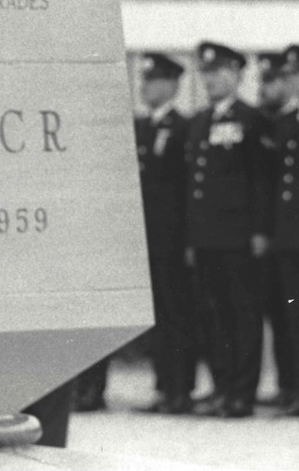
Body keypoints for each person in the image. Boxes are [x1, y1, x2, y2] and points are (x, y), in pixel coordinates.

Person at [185, 41, 274, 418]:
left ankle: (241, 393)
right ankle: (222, 387)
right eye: (206, 73)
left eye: (219, 72)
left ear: (237, 75)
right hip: (206, 238)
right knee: (213, 316)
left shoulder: (253, 120)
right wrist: (191, 238)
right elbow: (195, 186)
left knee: (242, 314)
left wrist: (258, 231)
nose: (211, 80)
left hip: (239, 238)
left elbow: (262, 180)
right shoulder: (200, 121)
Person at [133, 53, 197, 414]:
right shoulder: (141, 128)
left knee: (178, 314)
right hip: (148, 241)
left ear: (172, 85)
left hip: (172, 239)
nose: (145, 87)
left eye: (154, 80)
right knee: (157, 316)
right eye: (143, 80)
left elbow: (187, 189)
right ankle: (163, 387)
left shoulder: (183, 127)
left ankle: (180, 388)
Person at [256, 50, 296, 409]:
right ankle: (289, 385)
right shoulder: (276, 123)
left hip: (296, 236)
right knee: (284, 315)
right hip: (281, 235)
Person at [269, 44, 299, 416]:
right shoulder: (288, 120)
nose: (294, 81)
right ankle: (298, 388)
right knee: (295, 317)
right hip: (291, 235)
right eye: (290, 75)